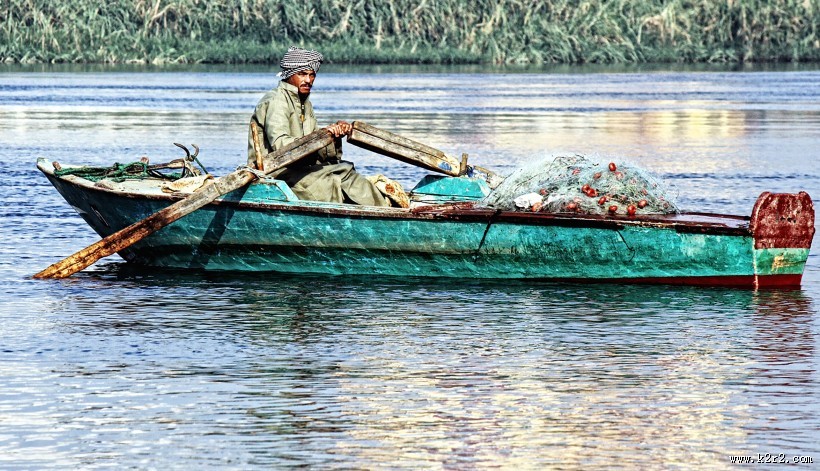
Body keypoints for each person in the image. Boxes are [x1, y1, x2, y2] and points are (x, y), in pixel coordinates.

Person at [247, 46, 390, 206]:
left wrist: (333, 136)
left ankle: (387, 212)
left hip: (301, 171)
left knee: (346, 171)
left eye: (312, 75)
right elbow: (281, 147)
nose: (308, 80)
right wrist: (321, 134)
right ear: (289, 75)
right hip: (277, 175)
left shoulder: (304, 103)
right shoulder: (276, 101)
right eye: (302, 74)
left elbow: (317, 153)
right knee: (332, 182)